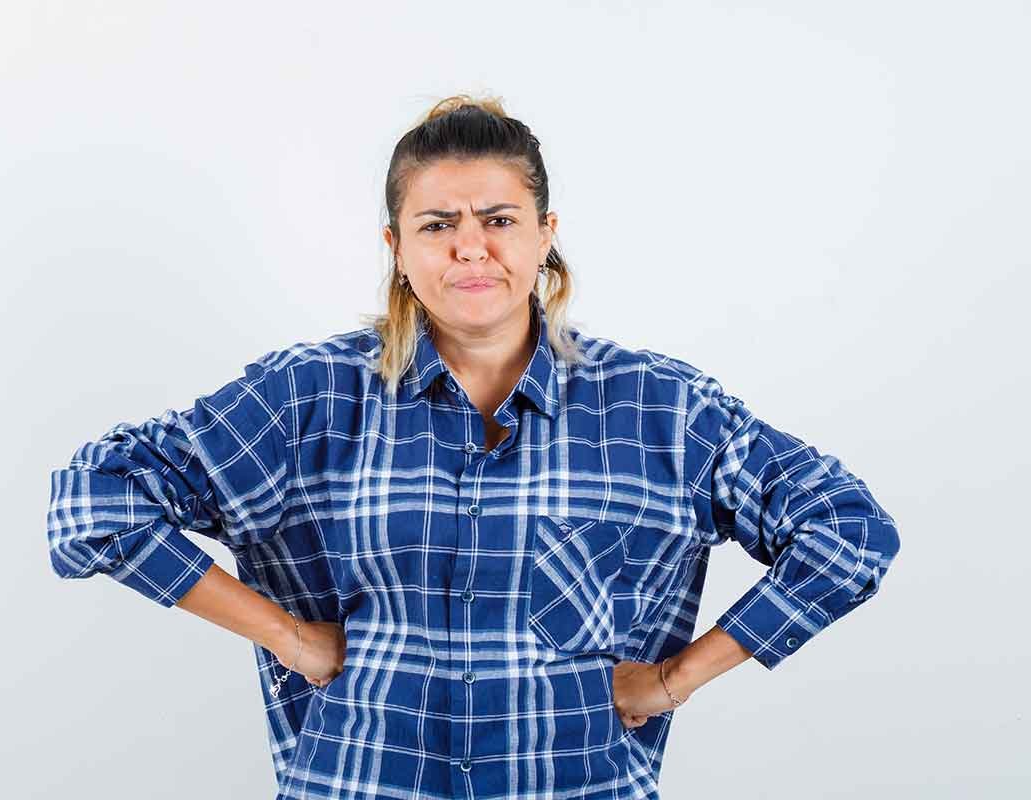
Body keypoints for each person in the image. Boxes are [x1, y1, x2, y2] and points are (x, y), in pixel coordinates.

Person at [45, 95, 901, 800]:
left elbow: (848, 531)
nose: (470, 246)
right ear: (396, 247)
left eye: (498, 218)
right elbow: (93, 503)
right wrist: (288, 637)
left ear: (544, 233)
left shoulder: (661, 409)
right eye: (436, 224)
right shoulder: (310, 399)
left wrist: (675, 680)